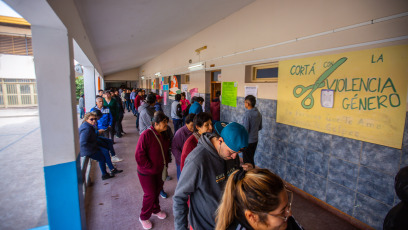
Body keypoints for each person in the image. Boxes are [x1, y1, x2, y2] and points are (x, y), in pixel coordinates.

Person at [173, 122, 253, 230]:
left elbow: (232, 177)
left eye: (237, 153)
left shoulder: (231, 155)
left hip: (228, 221)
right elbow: (179, 197)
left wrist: (243, 173)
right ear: (220, 140)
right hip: (204, 225)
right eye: (231, 152)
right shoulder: (197, 161)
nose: (234, 157)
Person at [215, 168, 304, 230]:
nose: (289, 213)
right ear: (252, 217)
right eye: (282, 211)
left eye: (287, 206)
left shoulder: (284, 219)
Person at [135, 111, 170, 230]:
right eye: (163, 122)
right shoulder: (146, 135)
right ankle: (143, 217)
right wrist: (149, 167)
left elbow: (165, 151)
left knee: (157, 191)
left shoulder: (164, 134)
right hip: (146, 173)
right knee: (149, 194)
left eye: (166, 122)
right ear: (155, 123)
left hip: (159, 170)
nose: (166, 124)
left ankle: (155, 209)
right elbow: (139, 155)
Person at [79, 112, 123, 180]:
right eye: (91, 119)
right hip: (88, 150)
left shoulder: (87, 126)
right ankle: (106, 173)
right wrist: (94, 147)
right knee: (102, 157)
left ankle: (107, 172)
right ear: (86, 119)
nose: (94, 121)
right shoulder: (87, 129)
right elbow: (83, 142)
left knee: (105, 152)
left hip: (91, 147)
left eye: (95, 119)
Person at [171, 113, 195, 180]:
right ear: (186, 123)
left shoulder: (195, 131)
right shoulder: (180, 133)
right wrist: (183, 159)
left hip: (192, 161)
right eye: (191, 125)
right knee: (182, 179)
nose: (193, 127)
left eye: (195, 125)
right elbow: (174, 148)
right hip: (182, 161)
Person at [242, 95, 262, 166]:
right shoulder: (258, 113)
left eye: (244, 102)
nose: (244, 104)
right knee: (251, 158)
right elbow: (260, 127)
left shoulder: (247, 114)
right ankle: (252, 174)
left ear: (248, 103)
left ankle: (249, 176)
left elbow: (245, 130)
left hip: (248, 141)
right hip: (255, 140)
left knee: (247, 161)